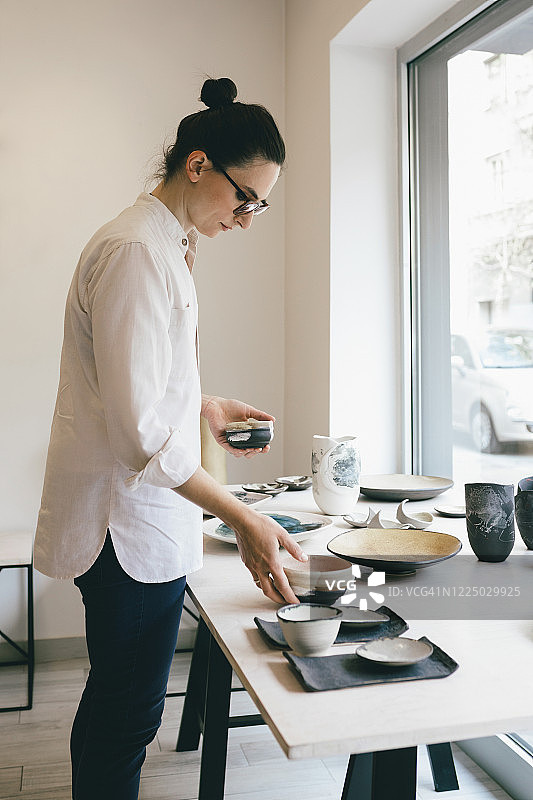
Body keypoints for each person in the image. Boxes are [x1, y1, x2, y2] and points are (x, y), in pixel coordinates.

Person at [34, 76, 307, 800]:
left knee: (115, 704)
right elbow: (138, 433)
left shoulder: (165, 243)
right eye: (244, 197)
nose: (248, 218)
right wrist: (245, 515)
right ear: (197, 165)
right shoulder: (135, 252)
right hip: (124, 529)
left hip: (134, 519)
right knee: (128, 715)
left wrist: (206, 405)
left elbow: (140, 384)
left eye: (259, 204)